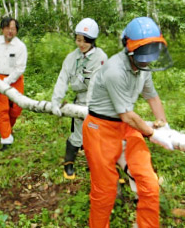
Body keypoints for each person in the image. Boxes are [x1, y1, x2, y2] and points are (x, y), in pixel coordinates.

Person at [82, 17, 174, 227]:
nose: (146, 61)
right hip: (100, 129)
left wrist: (163, 124)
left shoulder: (143, 67)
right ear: (128, 46)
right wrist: (152, 134)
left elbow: (152, 97)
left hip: (127, 128)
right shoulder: (115, 70)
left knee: (149, 183)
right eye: (142, 55)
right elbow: (127, 115)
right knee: (104, 191)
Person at [51, 18, 107, 180]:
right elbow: (63, 79)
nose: (81, 44)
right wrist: (56, 101)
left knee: (98, 135)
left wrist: (91, 110)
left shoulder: (100, 58)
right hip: (80, 101)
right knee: (78, 134)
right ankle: (69, 163)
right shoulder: (72, 57)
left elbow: (96, 85)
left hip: (100, 101)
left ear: (92, 40)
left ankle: (99, 164)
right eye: (78, 40)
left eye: (85, 41)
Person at [0, 17, 27, 151]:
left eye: (13, 29)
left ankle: (8, 128)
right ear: (2, 29)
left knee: (16, 108)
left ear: (17, 31)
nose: (10, 31)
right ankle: (6, 139)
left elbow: (20, 68)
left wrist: (7, 82)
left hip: (15, 79)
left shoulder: (20, 47)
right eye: (7, 28)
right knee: (2, 110)